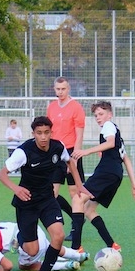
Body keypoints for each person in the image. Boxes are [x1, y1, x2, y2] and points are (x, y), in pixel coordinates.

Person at [0, 116, 88, 271]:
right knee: (32, 251)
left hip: (47, 199)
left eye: (47, 132)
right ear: (33, 134)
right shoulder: (23, 152)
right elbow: (1, 174)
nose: (43, 137)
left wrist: (79, 185)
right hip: (27, 202)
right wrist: (17, 189)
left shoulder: (58, 147)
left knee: (59, 236)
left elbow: (70, 162)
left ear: (51, 132)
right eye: (39, 133)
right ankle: (19, 237)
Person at [68, 100, 135, 253]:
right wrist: (134, 184)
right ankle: (112, 245)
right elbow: (126, 159)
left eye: (101, 114)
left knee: (77, 199)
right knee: (89, 210)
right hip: (116, 175)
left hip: (107, 172)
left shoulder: (109, 126)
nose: (98, 118)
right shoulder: (116, 131)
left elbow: (110, 143)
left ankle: (76, 249)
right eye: (96, 115)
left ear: (110, 115)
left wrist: (85, 151)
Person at [45, 77, 87, 218]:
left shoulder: (76, 107)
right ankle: (68, 217)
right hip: (55, 153)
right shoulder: (51, 107)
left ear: (68, 89)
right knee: (51, 193)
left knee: (74, 192)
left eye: (63, 89)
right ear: (54, 89)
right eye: (58, 89)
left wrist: (74, 158)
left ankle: (76, 225)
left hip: (70, 152)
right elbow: (49, 132)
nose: (60, 92)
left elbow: (79, 135)